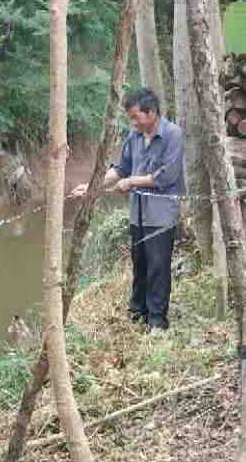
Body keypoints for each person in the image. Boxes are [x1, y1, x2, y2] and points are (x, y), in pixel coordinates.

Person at [70, 88, 185, 330]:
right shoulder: (134, 136)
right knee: (139, 262)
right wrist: (91, 187)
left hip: (161, 214)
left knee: (158, 266)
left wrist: (132, 182)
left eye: (135, 117)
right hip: (137, 213)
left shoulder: (173, 134)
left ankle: (157, 321)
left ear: (151, 113)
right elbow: (121, 168)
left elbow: (166, 176)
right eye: (130, 118)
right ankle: (137, 313)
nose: (132, 123)